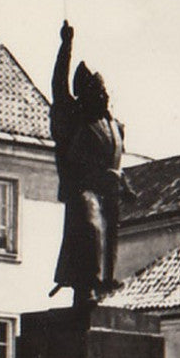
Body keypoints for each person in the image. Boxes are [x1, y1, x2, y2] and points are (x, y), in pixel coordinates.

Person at [50, 22, 127, 306]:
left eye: (105, 92)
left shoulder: (114, 125)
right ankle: (86, 287)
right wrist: (66, 45)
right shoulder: (74, 118)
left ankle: (104, 283)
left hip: (109, 190)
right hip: (83, 188)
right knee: (90, 224)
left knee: (111, 232)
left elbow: (117, 160)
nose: (104, 97)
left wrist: (125, 184)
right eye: (98, 92)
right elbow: (59, 83)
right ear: (87, 96)